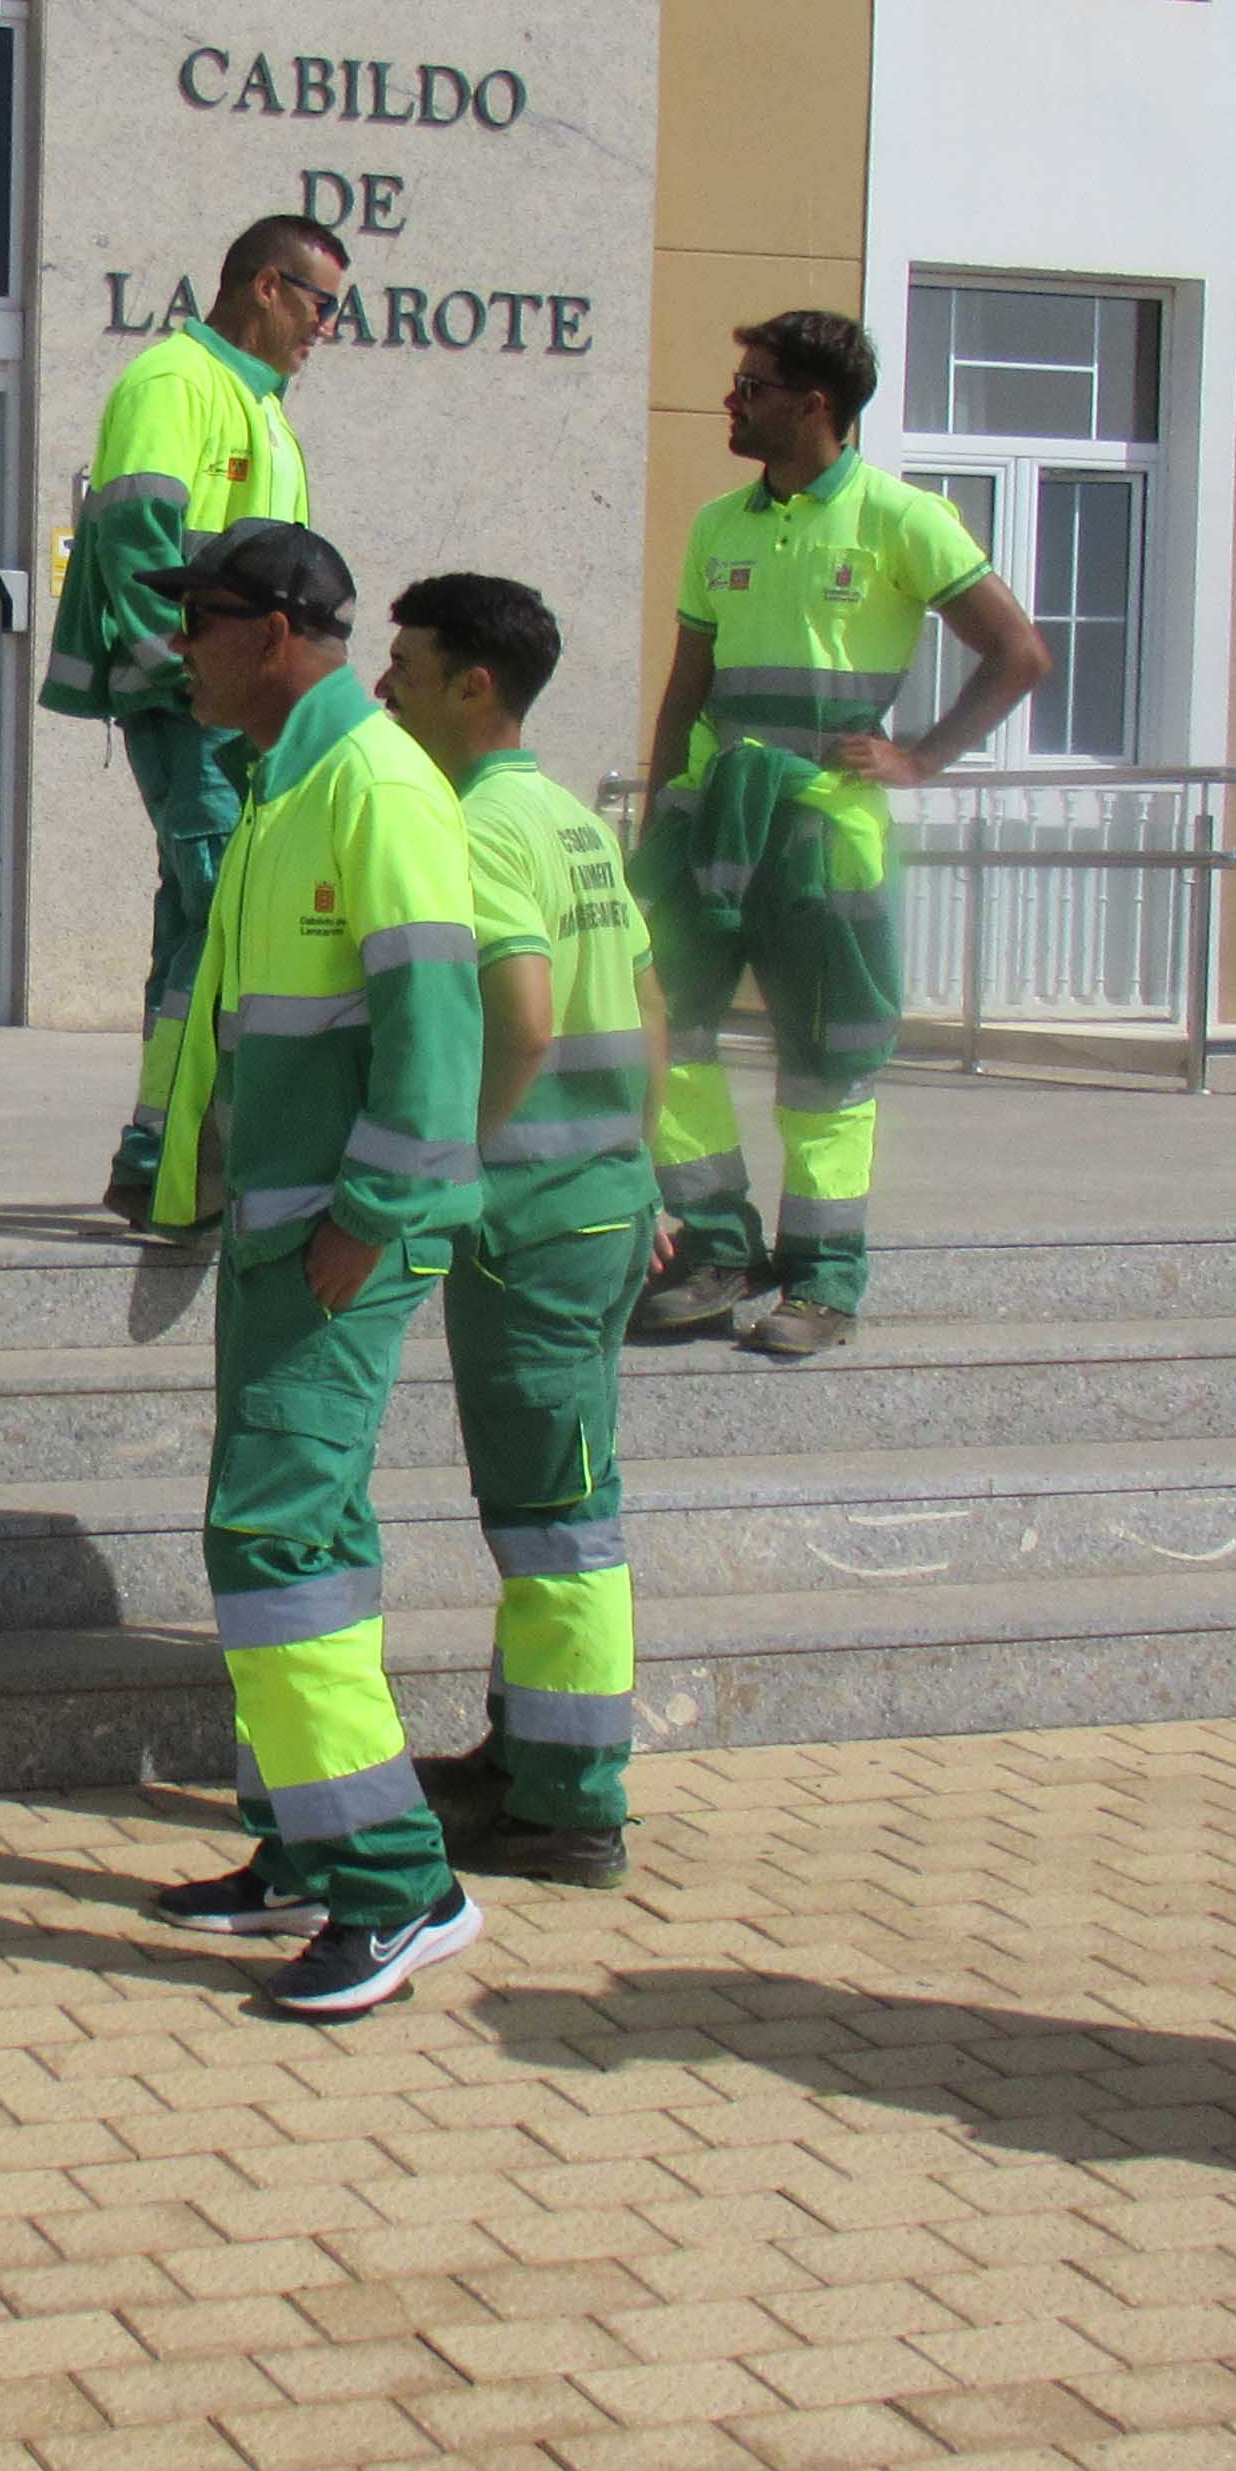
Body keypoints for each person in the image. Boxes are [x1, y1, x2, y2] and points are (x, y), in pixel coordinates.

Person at [130, 523, 489, 2021]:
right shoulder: (284, 776)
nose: (180, 650)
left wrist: (370, 1212)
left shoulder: (374, 780)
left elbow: (436, 1025)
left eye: (201, 623)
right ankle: (297, 1842)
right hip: (284, 1227)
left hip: (340, 1233)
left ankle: (399, 1887)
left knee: (274, 1542)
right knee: (305, 1537)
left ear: (278, 629)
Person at [635, 308, 1048, 1359]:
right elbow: (687, 689)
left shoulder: (904, 519)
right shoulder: (718, 524)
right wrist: (659, 817)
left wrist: (918, 759)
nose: (733, 400)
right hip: (710, 819)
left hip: (825, 832)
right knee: (666, 1033)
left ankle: (822, 1280)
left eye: (754, 385)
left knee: (826, 1059)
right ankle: (719, 1248)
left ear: (814, 404)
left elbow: (1018, 654)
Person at [380, 573, 667, 1890]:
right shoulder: (570, 819)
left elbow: (531, 1019)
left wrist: (450, 1163)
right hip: (598, 1203)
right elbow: (651, 1010)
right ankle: (527, 1754)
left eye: (409, 664)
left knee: (555, 1514)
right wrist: (644, 1167)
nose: (386, 686)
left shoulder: (486, 823)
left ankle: (566, 1802)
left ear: (471, 685)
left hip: (531, 1224)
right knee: (558, 1498)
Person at [44, 219, 346, 1228]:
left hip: (237, 717)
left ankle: (165, 1152)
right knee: (225, 919)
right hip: (198, 710)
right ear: (268, 286)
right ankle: (191, 1153)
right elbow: (136, 536)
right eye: (321, 306)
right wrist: (176, 676)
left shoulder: (259, 405)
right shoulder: (177, 381)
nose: (325, 330)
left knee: (201, 922)